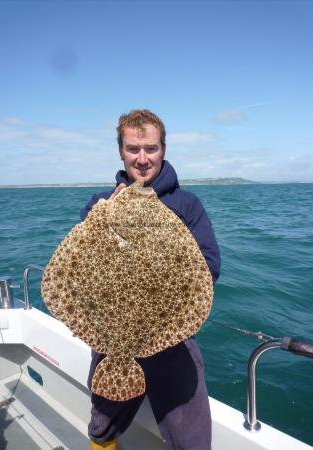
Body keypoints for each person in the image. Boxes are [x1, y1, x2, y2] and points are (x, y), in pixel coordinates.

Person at [80, 109, 221, 450]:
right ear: (120, 151)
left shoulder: (186, 205)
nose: (142, 159)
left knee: (192, 442)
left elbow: (209, 266)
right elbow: (80, 273)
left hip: (170, 337)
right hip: (114, 337)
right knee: (102, 427)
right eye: (133, 149)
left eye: (151, 148)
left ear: (163, 149)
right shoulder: (99, 205)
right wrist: (98, 226)